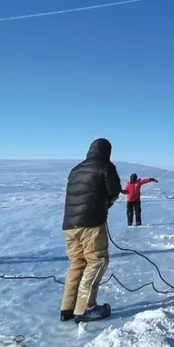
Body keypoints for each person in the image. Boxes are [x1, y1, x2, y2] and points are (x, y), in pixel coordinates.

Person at [60, 138, 121, 323]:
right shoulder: (105, 166)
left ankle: (67, 308)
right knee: (96, 261)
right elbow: (114, 190)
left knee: (77, 263)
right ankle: (86, 307)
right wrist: (106, 204)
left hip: (70, 225)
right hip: (91, 223)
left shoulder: (76, 169)